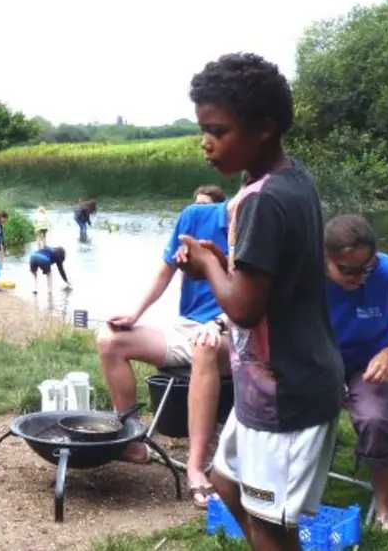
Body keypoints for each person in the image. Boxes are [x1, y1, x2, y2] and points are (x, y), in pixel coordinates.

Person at [180, 53, 344, 550]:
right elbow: (263, 280)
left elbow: (245, 308)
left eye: (219, 130)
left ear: (265, 128)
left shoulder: (263, 199)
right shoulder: (290, 180)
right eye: (203, 129)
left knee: (272, 525)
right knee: (226, 483)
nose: (206, 142)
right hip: (263, 387)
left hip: (286, 395)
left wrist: (207, 264)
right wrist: (224, 260)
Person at [98, 194, 230, 506]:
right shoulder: (195, 217)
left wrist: (218, 323)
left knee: (204, 347)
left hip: (235, 332)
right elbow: (163, 272)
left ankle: (196, 468)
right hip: (187, 325)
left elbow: (257, 300)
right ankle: (132, 442)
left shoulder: (260, 229)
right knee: (110, 340)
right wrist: (134, 314)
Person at [324, 214, 388, 533]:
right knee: (284, 404)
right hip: (321, 357)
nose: (359, 278)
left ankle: (385, 510)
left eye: (366, 268)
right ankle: (286, 492)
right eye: (347, 270)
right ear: (324, 258)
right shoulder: (304, 274)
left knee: (373, 418)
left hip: (372, 359)